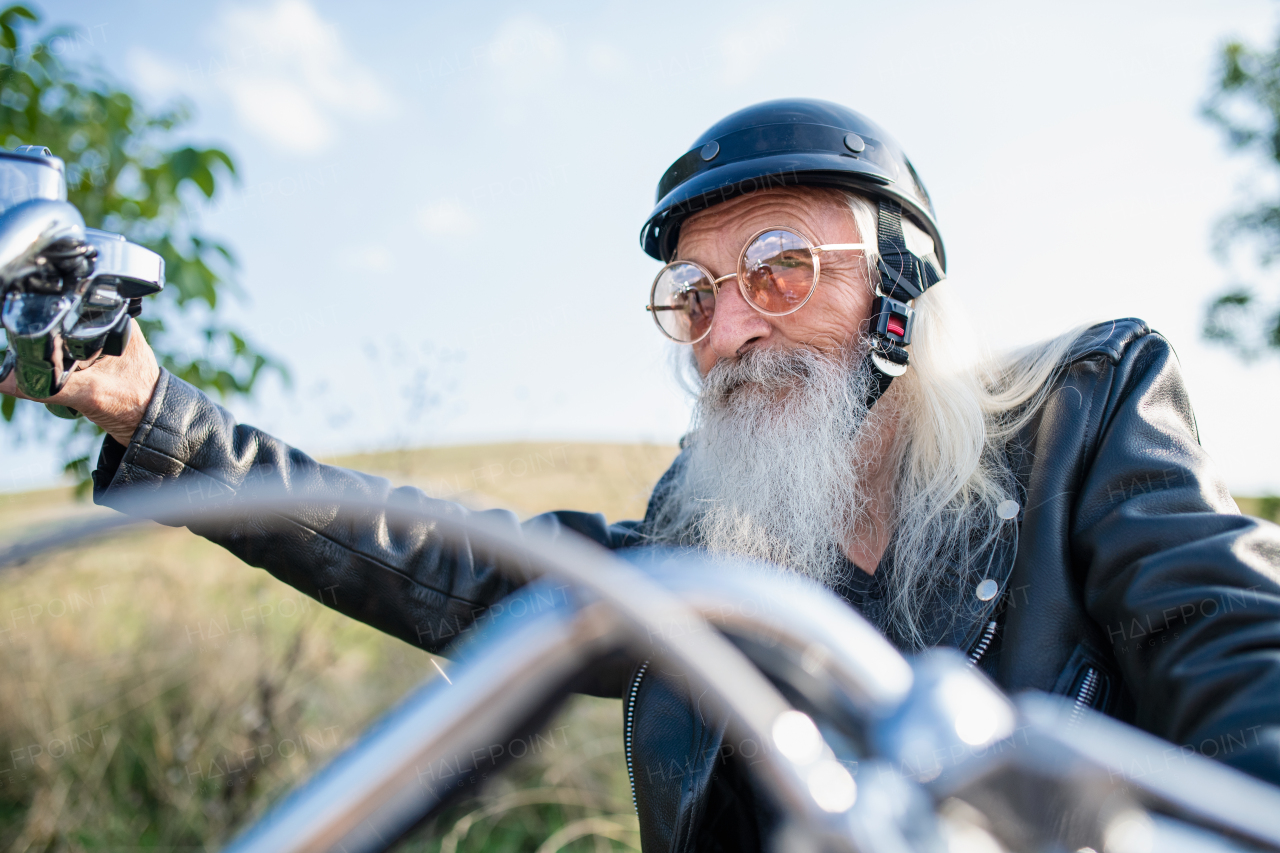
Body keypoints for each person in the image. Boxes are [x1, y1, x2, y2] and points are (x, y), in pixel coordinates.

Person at [5, 98, 1280, 852]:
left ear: (896, 284)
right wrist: (152, 406)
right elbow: (459, 566)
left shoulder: (1082, 415)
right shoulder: (706, 535)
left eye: (780, 267)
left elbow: (1246, 683)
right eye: (691, 296)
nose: (727, 333)